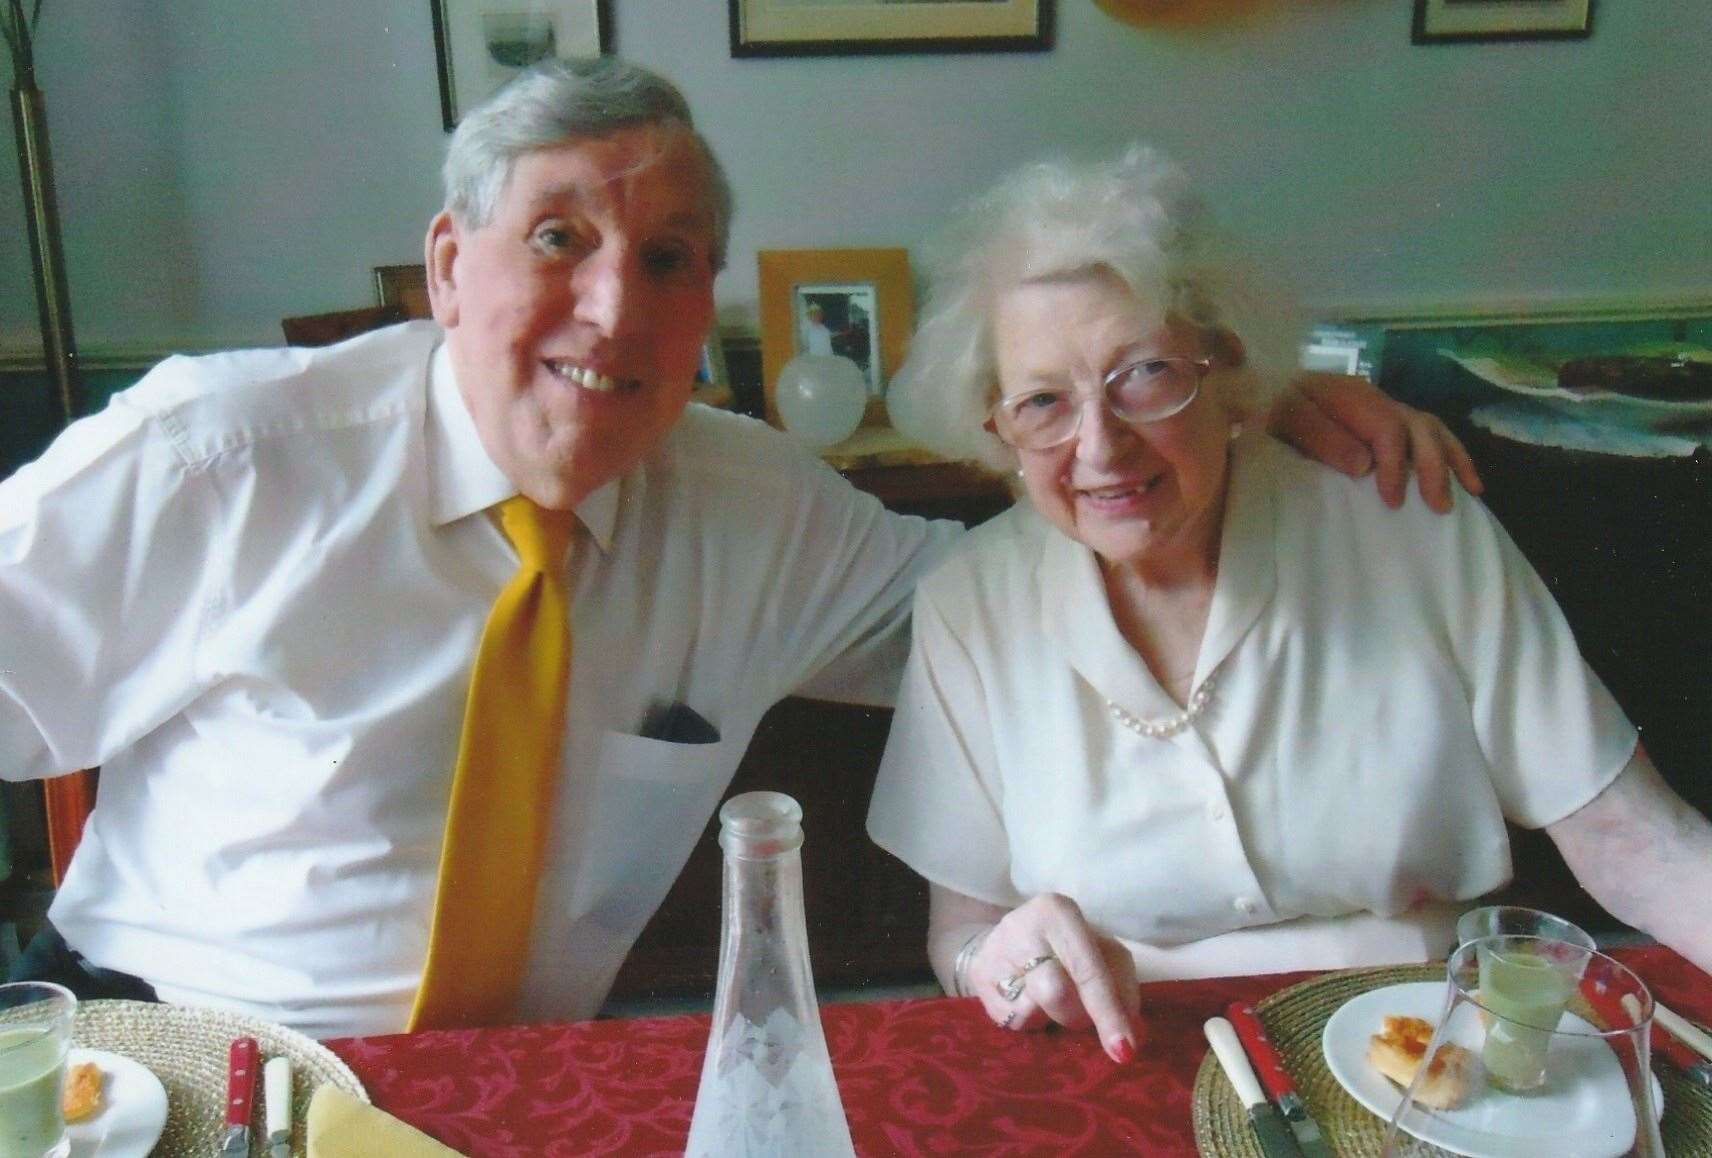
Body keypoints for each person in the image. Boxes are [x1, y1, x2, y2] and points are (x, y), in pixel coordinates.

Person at [0, 60, 1473, 1039]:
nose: (611, 311)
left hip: (526, 1093)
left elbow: (1005, 618)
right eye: (559, 238)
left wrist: (1235, 401)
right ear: (450, 265)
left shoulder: (750, 506)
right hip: (183, 1064)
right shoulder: (224, 458)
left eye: (666, 258)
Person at [865, 145, 1712, 1065]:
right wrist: (1004, 961)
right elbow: (965, 934)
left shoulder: (1406, 524)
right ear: (996, 423)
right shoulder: (969, 607)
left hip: (1425, 1045)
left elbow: (1635, 838)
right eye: (1042, 401)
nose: (1100, 446)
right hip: (1132, 1051)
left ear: (1225, 369)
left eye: (1144, 374)